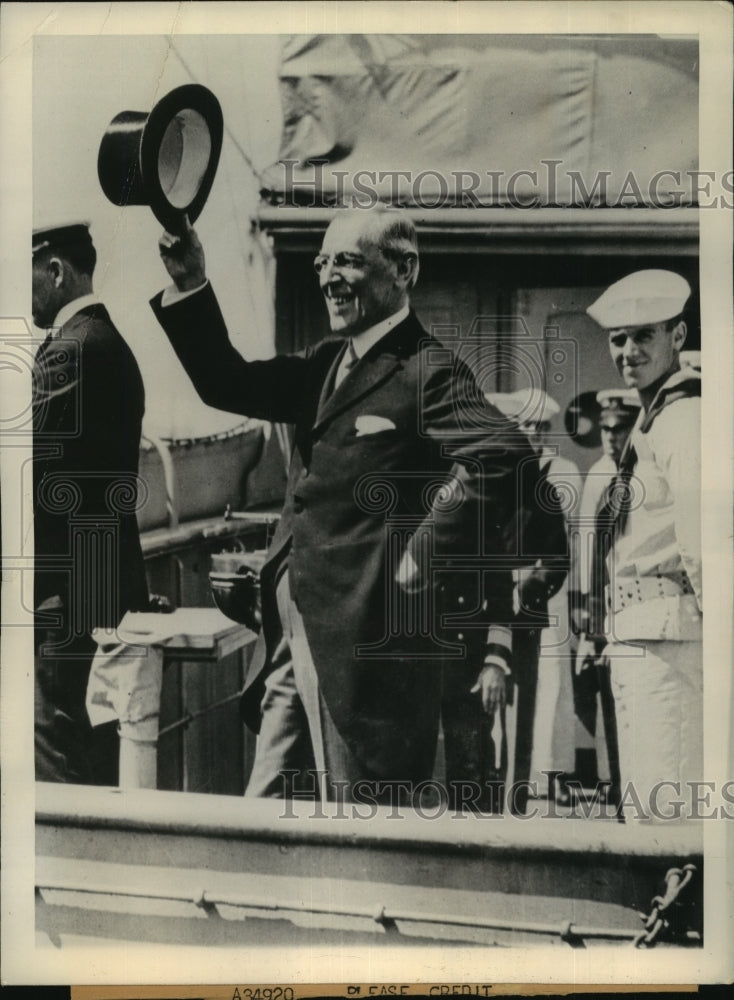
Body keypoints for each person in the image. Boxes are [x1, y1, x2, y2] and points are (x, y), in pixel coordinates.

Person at [152, 208, 535, 805]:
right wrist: (191, 284)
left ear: (404, 269)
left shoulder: (428, 371)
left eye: (349, 262)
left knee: (353, 814)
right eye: (322, 263)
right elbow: (226, 382)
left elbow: (506, 456)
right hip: (291, 624)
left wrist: (426, 549)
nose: (329, 277)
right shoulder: (325, 363)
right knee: (268, 804)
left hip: (363, 640)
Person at [32, 221, 148, 784]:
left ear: (56, 271)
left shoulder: (70, 352)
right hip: (104, 591)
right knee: (94, 754)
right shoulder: (111, 344)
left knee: (57, 765)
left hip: (65, 602)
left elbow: (31, 474)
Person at [586, 269, 702, 821]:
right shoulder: (651, 421)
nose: (627, 352)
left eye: (643, 336)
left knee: (666, 816)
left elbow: (705, 542)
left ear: (677, 338)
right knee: (643, 817)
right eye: (617, 339)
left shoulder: (684, 418)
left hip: (671, 644)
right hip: (636, 637)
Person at [573, 388, 640, 802]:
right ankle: (615, 785)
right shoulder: (599, 474)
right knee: (610, 700)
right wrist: (588, 624)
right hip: (601, 609)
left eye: (620, 429)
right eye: (605, 430)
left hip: (637, 604)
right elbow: (586, 553)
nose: (611, 438)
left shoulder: (642, 470)